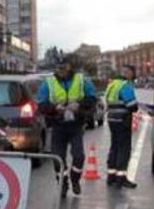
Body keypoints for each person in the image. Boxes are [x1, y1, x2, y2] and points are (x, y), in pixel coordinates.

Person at [38, 54, 97, 197]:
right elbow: (41, 105)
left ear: (70, 67)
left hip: (75, 125)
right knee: (58, 158)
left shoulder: (81, 80)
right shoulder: (48, 82)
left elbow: (92, 98)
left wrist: (79, 104)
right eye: (58, 68)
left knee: (79, 156)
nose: (61, 70)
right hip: (57, 125)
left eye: (64, 67)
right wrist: (54, 108)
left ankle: (75, 179)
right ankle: (63, 183)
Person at [104, 65, 139, 189]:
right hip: (123, 120)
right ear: (128, 73)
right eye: (132, 73)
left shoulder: (112, 84)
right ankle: (121, 178)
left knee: (114, 147)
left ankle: (111, 176)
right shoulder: (125, 86)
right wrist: (137, 105)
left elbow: (107, 101)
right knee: (124, 149)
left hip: (112, 119)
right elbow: (132, 105)